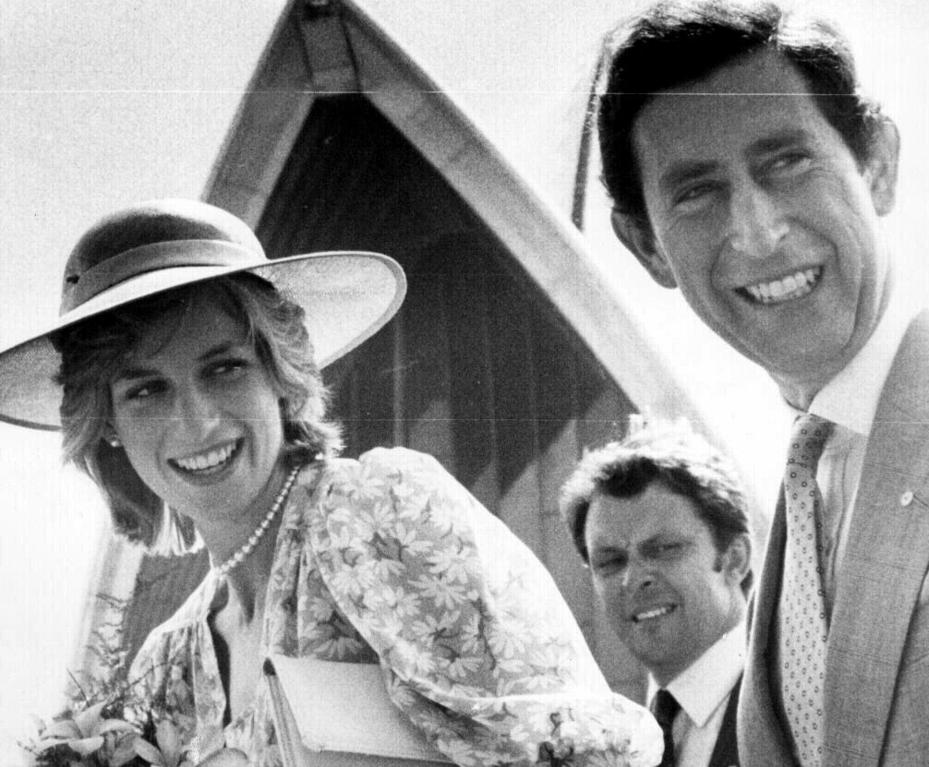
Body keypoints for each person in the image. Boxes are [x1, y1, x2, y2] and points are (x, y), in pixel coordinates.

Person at [0, 199, 661, 767]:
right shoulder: (171, 660)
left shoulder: (375, 510)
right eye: (146, 389)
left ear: (280, 378)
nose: (195, 420)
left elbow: (586, 753)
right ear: (108, 422)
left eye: (224, 368)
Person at [596, 2, 929, 766]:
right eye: (696, 192)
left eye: (787, 162)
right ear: (647, 248)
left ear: (879, 163)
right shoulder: (799, 503)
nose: (757, 229)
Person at [560, 419, 751, 767]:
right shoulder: (618, 741)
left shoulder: (795, 704)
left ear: (734, 558)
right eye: (611, 561)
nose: (633, 579)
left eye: (664, 549)